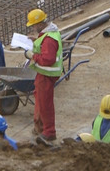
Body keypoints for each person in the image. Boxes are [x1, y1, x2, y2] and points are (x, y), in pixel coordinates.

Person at [23, 8, 62, 142]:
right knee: (40, 99)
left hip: (47, 74)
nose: (33, 28)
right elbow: (45, 46)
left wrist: (33, 56)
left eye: (34, 25)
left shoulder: (49, 40)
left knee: (45, 103)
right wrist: (36, 40)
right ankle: (40, 127)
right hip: (44, 74)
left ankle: (49, 131)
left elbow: (48, 59)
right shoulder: (48, 34)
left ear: (40, 24)